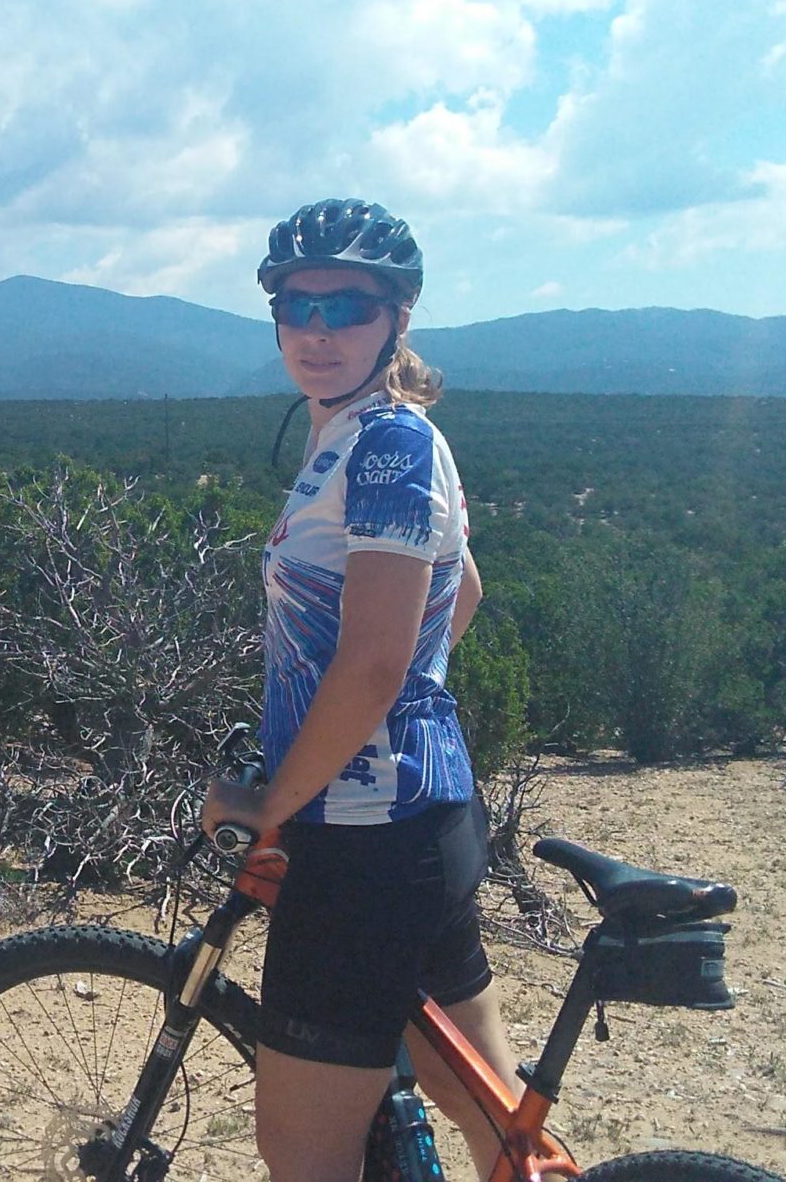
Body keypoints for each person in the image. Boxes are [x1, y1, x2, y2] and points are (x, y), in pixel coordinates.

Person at [201, 198, 523, 1182]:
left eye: (345, 304)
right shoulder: (377, 431)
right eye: (294, 307)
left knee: (302, 1154)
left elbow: (375, 658)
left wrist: (272, 802)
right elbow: (457, 590)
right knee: (496, 1122)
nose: (317, 329)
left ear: (396, 315)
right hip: (422, 816)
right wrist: (401, 713)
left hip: (361, 842)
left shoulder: (382, 443)